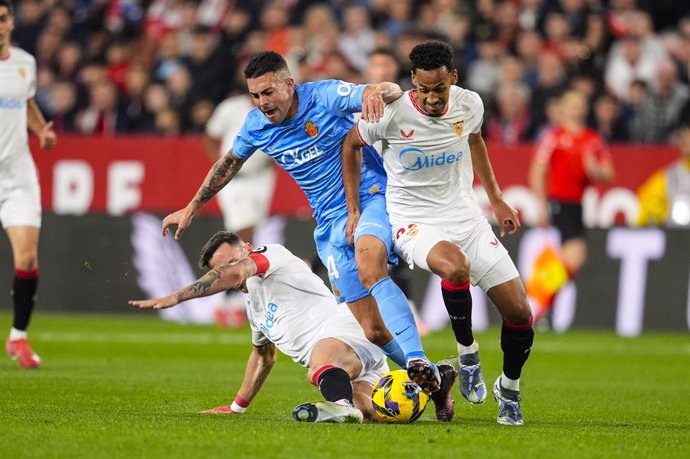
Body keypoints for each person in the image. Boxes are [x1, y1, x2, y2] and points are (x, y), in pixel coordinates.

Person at [159, 51, 455, 419]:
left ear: (288, 84)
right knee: (373, 330)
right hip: (329, 224)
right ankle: (436, 383)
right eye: (255, 95)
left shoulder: (325, 96)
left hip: (370, 195)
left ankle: (414, 359)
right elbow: (228, 163)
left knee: (369, 266)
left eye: (268, 92)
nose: (262, 102)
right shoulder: (256, 125)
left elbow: (379, 90)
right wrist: (191, 207)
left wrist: (379, 92)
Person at [341, 41, 534, 426]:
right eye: (424, 89)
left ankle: (508, 389)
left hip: (467, 218)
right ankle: (467, 351)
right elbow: (350, 145)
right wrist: (354, 208)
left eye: (439, 89)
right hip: (414, 221)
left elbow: (476, 140)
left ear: (453, 79)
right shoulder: (390, 113)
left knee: (520, 314)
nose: (431, 98)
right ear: (413, 80)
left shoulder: (470, 104)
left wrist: (496, 199)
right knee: (455, 267)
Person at [129, 231, 390, 423]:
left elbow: (238, 273)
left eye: (231, 262)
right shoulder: (254, 308)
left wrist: (177, 296)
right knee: (371, 411)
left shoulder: (272, 255)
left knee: (320, 362)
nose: (229, 273)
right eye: (219, 270)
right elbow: (263, 358)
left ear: (248, 249)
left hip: (347, 332)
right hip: (349, 367)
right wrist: (236, 408)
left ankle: (340, 405)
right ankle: (362, 403)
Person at [1, 0, 57, 369]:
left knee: (27, 258)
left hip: (17, 175)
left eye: (2, 18)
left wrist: (40, 129)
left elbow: (26, 102)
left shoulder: (24, 63)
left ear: (9, 23)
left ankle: (18, 337)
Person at [527, 90, 615, 322]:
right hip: (560, 202)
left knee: (569, 258)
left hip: (577, 204)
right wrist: (541, 204)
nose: (576, 108)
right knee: (574, 255)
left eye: (580, 104)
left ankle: (540, 301)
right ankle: (539, 300)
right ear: (563, 108)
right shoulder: (554, 137)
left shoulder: (592, 139)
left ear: (584, 109)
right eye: (572, 104)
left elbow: (608, 174)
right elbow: (537, 170)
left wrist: (595, 169)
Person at [202, 92, 277, 327]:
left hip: (261, 176)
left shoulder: (276, 107)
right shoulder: (231, 107)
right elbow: (209, 137)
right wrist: (222, 167)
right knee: (241, 234)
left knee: (250, 235)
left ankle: (235, 295)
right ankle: (229, 295)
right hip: (235, 179)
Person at [637, 119, 690, 227]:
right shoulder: (670, 175)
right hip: (678, 234)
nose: (686, 143)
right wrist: (663, 215)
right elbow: (646, 201)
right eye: (684, 140)